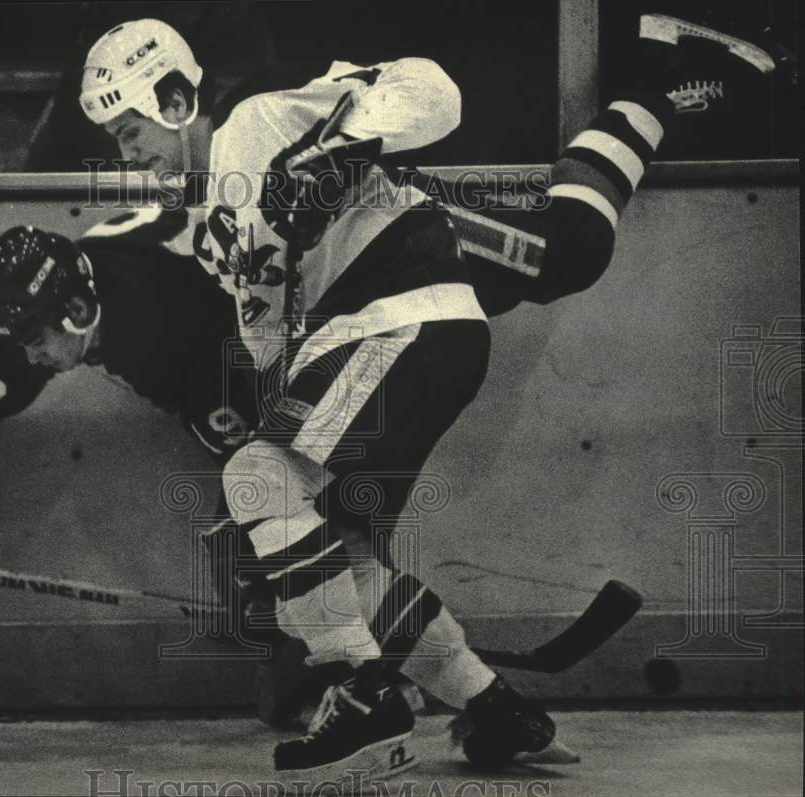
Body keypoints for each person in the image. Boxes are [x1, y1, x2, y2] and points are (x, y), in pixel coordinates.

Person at [78, 13, 783, 784]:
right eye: (117, 140)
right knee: (335, 554)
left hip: (402, 308)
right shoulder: (215, 231)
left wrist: (332, 151)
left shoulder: (261, 119)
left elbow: (433, 90)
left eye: (131, 128)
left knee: (256, 477)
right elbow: (269, 343)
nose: (130, 154)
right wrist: (285, 553)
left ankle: (366, 695)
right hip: (392, 334)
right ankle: (495, 708)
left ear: (177, 99)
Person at [0, 206, 258, 617]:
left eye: (35, 342)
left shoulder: (165, 329)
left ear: (78, 313)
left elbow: (266, 453)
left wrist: (249, 548)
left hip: (299, 327)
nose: (30, 360)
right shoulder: (51, 306)